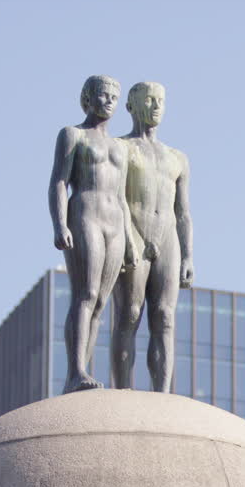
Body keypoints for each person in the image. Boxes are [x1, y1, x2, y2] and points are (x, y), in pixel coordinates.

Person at [48, 75, 134, 393]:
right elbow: (58, 181)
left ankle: (85, 368)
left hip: (115, 221)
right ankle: (76, 371)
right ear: (87, 98)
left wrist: (131, 242)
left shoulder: (120, 147)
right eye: (102, 95)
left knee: (100, 302)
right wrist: (60, 224)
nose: (108, 101)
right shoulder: (72, 135)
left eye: (114, 96)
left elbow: (123, 196)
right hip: (85, 212)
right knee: (85, 294)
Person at [111, 81, 194, 393]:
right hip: (133, 231)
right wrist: (127, 242)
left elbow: (183, 211)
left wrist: (187, 255)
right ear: (132, 105)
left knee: (164, 316)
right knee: (129, 314)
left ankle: (162, 393)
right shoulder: (121, 147)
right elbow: (115, 198)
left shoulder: (177, 158)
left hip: (167, 238)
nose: (156, 105)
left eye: (160, 100)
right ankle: (123, 390)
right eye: (149, 100)